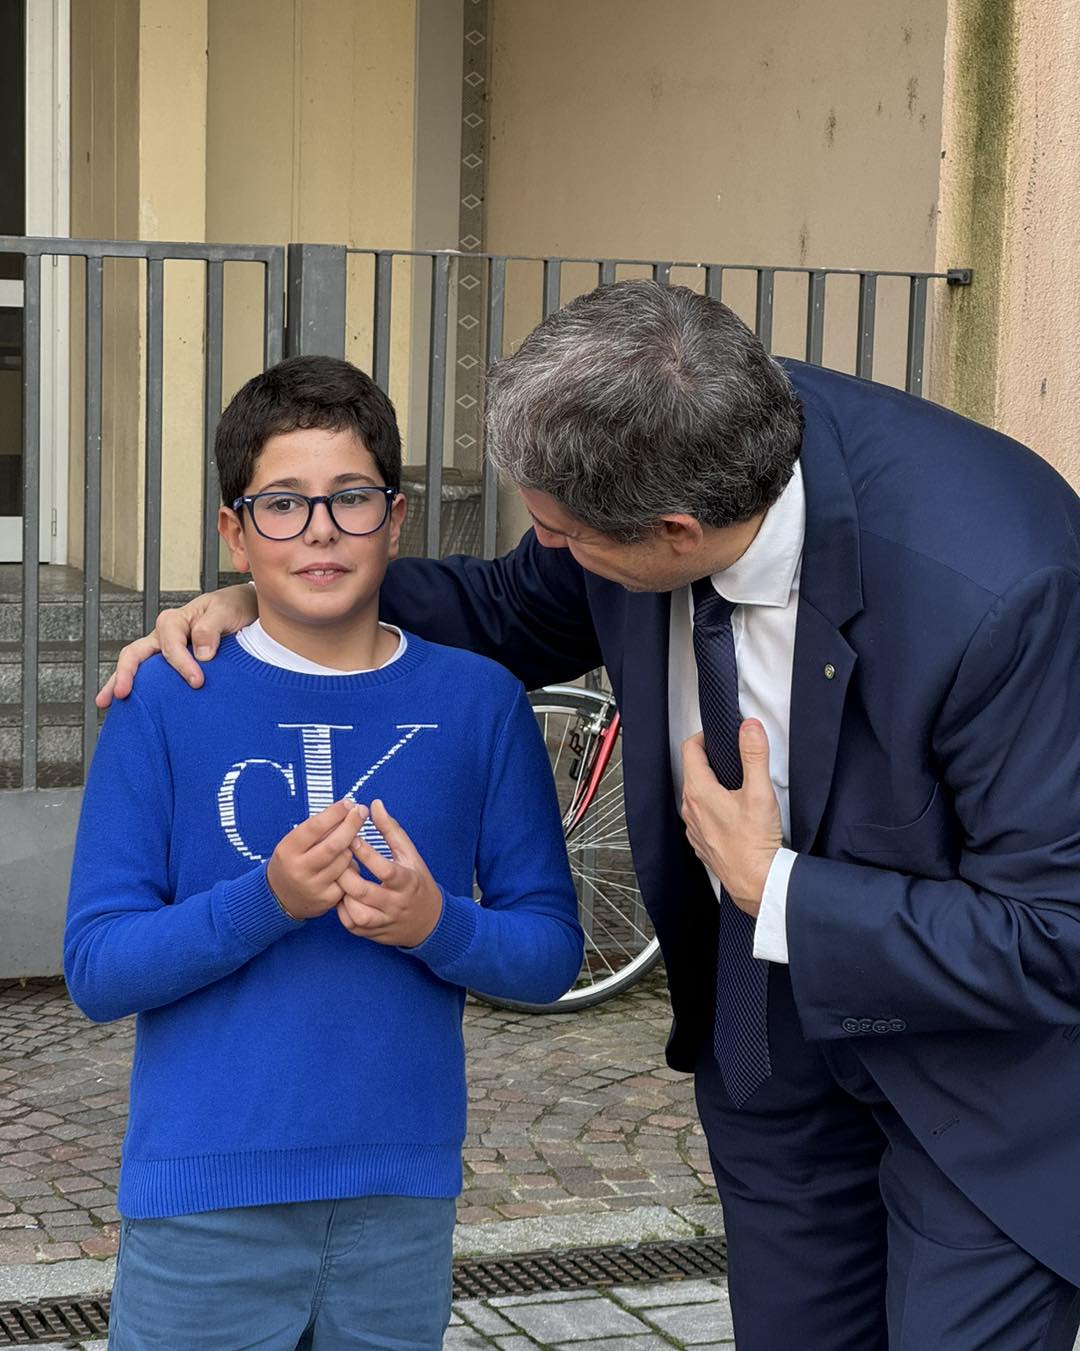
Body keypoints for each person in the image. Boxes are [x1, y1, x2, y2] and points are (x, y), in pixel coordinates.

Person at [100, 283, 1080, 1351]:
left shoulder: (1006, 585)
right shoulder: (664, 428)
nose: (545, 549)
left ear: (674, 530)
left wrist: (777, 887)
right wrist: (279, 594)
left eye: (559, 533)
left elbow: (1058, 933)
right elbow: (504, 610)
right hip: (771, 1062)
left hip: (976, 1087)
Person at [66, 354, 583, 1351]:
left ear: (395, 518)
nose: (317, 532)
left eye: (349, 499)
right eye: (282, 504)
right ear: (234, 530)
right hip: (203, 1200)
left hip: (398, 1197)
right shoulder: (165, 701)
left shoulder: (480, 704)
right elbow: (96, 967)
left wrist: (439, 924)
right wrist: (267, 898)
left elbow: (548, 950)